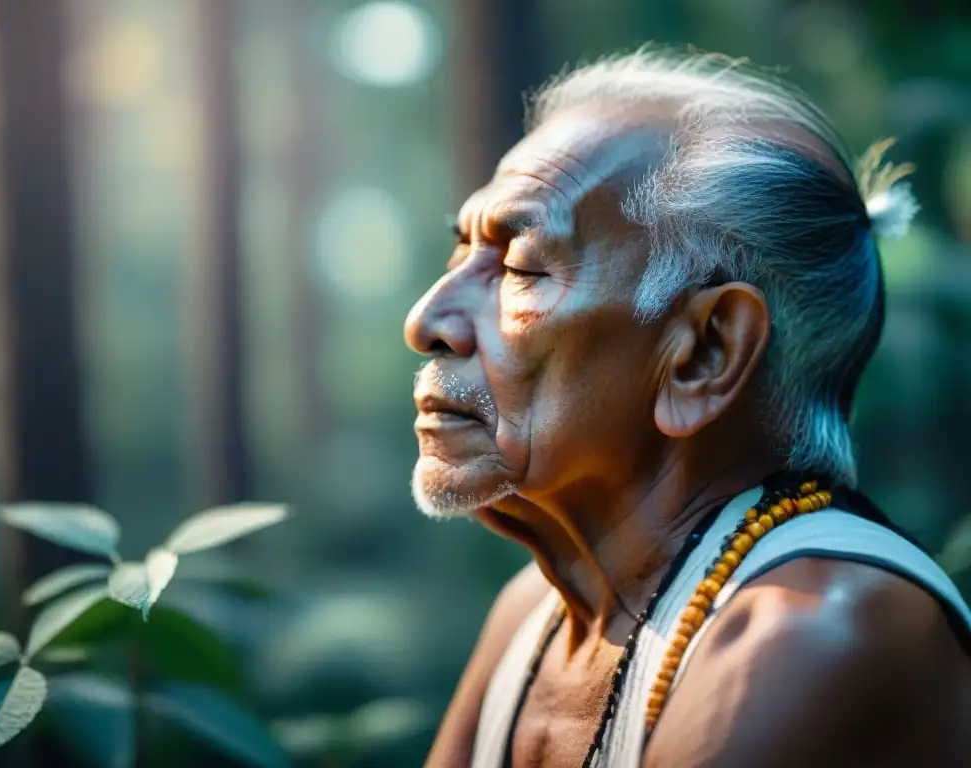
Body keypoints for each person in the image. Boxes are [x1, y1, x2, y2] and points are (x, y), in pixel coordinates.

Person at [403, 47, 971, 768]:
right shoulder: (533, 617)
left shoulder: (808, 634)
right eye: (461, 255)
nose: (427, 320)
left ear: (705, 354)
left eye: (519, 267)